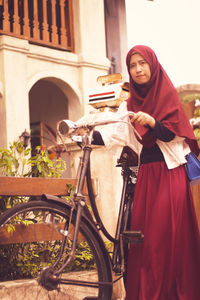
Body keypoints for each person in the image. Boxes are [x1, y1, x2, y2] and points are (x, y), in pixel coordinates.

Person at [92, 45, 200, 299]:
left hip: (170, 174)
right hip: (147, 177)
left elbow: (175, 133)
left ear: (152, 64)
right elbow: (116, 131)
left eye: (142, 63)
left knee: (165, 238)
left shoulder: (167, 94)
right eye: (132, 65)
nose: (138, 69)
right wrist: (85, 133)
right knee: (144, 240)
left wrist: (151, 121)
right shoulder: (130, 102)